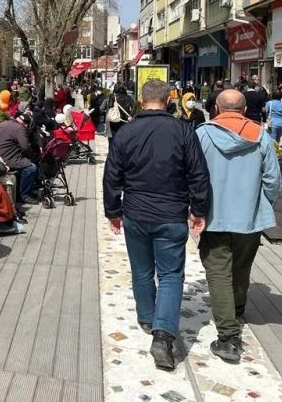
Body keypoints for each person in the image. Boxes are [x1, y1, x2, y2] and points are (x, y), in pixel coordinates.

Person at [103, 79, 210, 371]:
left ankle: (148, 317)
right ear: (167, 101)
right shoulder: (184, 131)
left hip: (136, 212)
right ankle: (162, 335)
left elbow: (112, 174)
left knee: (141, 269)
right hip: (172, 213)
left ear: (142, 99)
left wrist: (113, 209)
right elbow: (198, 175)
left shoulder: (126, 132)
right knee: (171, 274)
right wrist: (199, 209)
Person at [196, 89, 282, 362]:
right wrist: (262, 205)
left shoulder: (202, 135)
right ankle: (238, 307)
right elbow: (273, 180)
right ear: (244, 110)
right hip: (250, 217)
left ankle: (228, 336)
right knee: (241, 267)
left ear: (217, 109)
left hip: (213, 216)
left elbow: (191, 175)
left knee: (218, 272)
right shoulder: (261, 136)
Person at [0, 112, 37, 222]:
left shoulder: (3, 124)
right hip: (9, 159)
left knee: (26, 165)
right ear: (25, 124)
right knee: (31, 167)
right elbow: (25, 147)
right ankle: (25, 194)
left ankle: (22, 191)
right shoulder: (20, 128)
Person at [102, 83, 133, 150]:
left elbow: (110, 106)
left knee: (113, 137)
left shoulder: (112, 96)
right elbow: (133, 107)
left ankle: (113, 153)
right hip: (125, 120)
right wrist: (130, 115)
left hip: (114, 119)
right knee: (124, 138)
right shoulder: (128, 97)